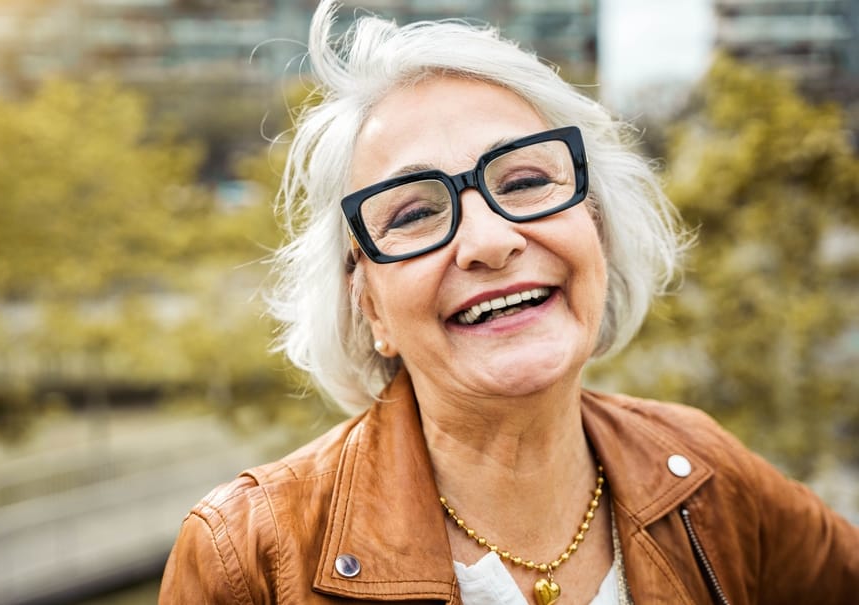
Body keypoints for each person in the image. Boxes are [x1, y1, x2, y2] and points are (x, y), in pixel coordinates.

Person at [159, 1, 859, 603]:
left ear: (598, 229)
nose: (489, 241)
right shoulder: (247, 557)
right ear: (368, 305)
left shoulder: (706, 476)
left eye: (524, 179)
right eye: (413, 214)